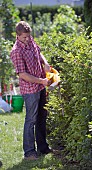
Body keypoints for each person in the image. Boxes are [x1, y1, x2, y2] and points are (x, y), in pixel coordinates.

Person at [10, 21, 52, 160]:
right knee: (31, 120)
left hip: (40, 87)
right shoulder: (16, 51)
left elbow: (39, 52)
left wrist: (45, 63)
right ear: (18, 36)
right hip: (30, 90)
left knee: (42, 117)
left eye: (28, 36)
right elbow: (23, 75)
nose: (27, 40)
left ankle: (43, 147)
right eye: (24, 38)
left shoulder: (30, 40)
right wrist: (42, 81)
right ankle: (29, 152)